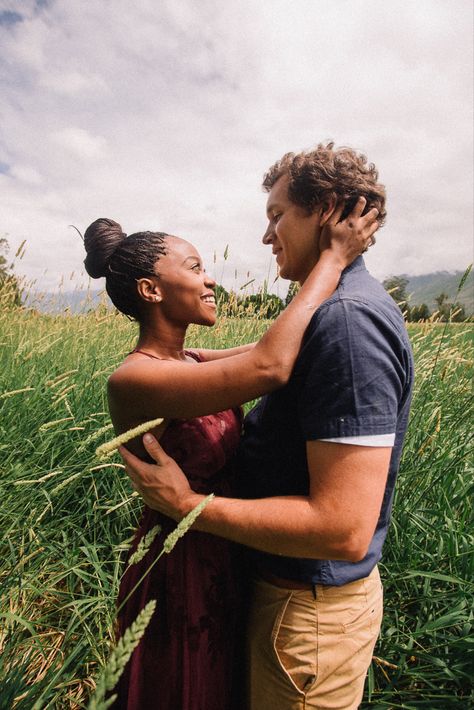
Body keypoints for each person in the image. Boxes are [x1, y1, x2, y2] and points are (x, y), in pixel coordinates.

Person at [119, 142, 415, 710]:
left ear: (327, 210)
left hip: (306, 617)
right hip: (256, 593)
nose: (266, 235)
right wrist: (189, 361)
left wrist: (188, 508)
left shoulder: (347, 323)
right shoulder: (330, 315)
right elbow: (265, 353)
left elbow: (342, 529)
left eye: (277, 215)